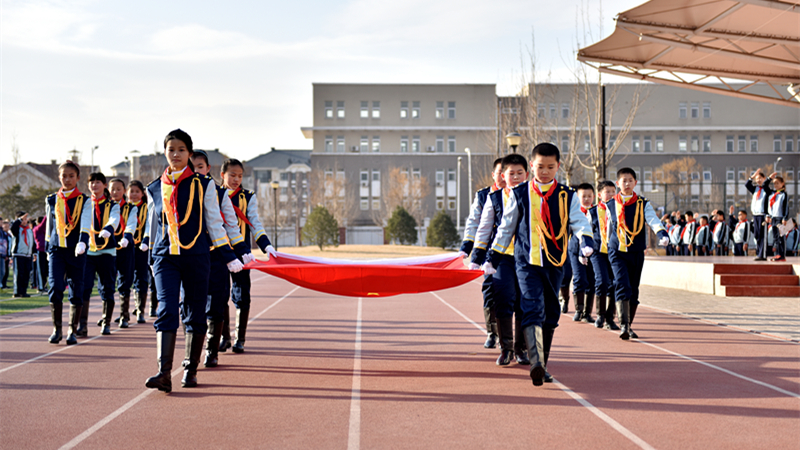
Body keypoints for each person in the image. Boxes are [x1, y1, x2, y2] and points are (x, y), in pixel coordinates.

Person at [485, 143, 594, 386]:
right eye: (540, 166)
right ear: (532, 166)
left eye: (550, 167)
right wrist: (493, 256)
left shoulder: (567, 195)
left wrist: (585, 239)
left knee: (551, 311)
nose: (544, 171)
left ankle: (542, 361)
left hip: (555, 263)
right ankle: (537, 364)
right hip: (527, 262)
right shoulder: (519, 193)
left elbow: (578, 220)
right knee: (531, 306)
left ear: (558, 167)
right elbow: (506, 227)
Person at [144, 129, 244, 393]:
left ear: (189, 153)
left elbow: (214, 222)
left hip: (197, 256)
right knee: (166, 308)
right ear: (164, 153)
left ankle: (190, 368)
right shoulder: (155, 187)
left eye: (181, 150)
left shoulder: (204, 184)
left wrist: (228, 255)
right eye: (170, 150)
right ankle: (164, 372)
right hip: (165, 256)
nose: (175, 155)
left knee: (194, 311)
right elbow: (154, 225)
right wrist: (149, 254)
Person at [190, 150, 253, 368]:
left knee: (217, 303)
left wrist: (243, 250)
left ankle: (211, 351)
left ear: (208, 169)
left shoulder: (219, 193)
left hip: (217, 255)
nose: (195, 170)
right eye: (192, 166)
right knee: (190, 306)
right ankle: (195, 353)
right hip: (191, 258)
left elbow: (230, 227)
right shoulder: (177, 192)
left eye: (200, 166)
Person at [471, 153, 530, 366]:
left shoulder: (533, 196)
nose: (515, 177)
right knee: (503, 299)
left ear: (527, 174)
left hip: (528, 258)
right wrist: (477, 255)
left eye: (519, 173)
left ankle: (522, 349)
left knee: (525, 303)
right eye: (511, 173)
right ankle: (506, 349)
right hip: (502, 257)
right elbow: (484, 227)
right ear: (503, 176)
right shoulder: (494, 198)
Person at [605, 168, 669, 340]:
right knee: (622, 284)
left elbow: (653, 220)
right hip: (617, 251)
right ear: (618, 183)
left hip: (636, 251)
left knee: (633, 289)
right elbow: (608, 228)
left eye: (630, 180)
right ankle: (623, 326)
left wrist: (662, 233)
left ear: (635, 183)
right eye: (623, 181)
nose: (627, 184)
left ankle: (629, 325)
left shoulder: (642, 203)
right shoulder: (610, 204)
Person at [220, 158, 275, 354]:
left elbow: (254, 223)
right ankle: (223, 337)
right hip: (218, 253)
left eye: (240, 176)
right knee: (219, 295)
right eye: (232, 175)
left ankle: (239, 339)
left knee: (242, 295)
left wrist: (266, 246)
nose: (236, 179)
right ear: (222, 175)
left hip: (241, 253)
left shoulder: (248, 197)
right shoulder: (213, 195)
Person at [45, 161, 92, 345]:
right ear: (59, 177)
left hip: (76, 250)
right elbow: (50, 226)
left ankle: (72, 329)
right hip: (57, 249)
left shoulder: (84, 200)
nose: (67, 179)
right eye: (64, 176)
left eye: (71, 176)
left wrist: (83, 241)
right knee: (56, 286)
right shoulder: (51, 199)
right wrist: (48, 248)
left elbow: (86, 222)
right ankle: (57, 329)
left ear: (78, 178)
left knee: (76, 288)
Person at [458, 157, 502, 349]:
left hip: (514, 252)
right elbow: (474, 222)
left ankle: (516, 340)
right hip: (489, 252)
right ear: (494, 175)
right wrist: (468, 246)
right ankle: (492, 333)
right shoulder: (484, 195)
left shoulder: (520, 195)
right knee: (490, 291)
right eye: (500, 172)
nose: (504, 176)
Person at [79, 172, 120, 336]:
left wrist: (109, 229)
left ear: (104, 185)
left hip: (107, 252)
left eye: (98, 182)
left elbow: (115, 219)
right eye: (92, 182)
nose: (94, 185)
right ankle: (82, 325)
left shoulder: (112, 205)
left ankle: (106, 322)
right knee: (84, 287)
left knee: (108, 287)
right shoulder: (84, 204)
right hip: (88, 251)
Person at [106, 178, 137, 328]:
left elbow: (131, 224)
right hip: (108, 248)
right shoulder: (106, 207)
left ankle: (124, 315)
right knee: (107, 281)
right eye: (112, 189)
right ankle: (107, 316)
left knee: (125, 280)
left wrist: (126, 238)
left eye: (119, 189)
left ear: (124, 191)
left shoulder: (131, 208)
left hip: (125, 247)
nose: (115, 192)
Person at [590, 180, 619, 330]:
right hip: (598, 252)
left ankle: (610, 318)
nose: (610, 194)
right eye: (607, 192)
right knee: (601, 281)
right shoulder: (592, 211)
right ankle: (600, 315)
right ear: (600, 195)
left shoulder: (619, 210)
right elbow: (587, 231)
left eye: (613, 191)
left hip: (615, 252)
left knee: (615, 284)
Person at [569, 183, 596, 323]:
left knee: (591, 281)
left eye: (589, 196)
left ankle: (587, 312)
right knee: (580, 279)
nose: (586, 199)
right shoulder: (573, 213)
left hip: (593, 252)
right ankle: (578, 310)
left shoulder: (597, 212)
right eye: (583, 196)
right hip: (574, 250)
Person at [127, 180, 151, 324]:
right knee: (125, 278)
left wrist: (146, 241)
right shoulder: (122, 208)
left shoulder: (147, 208)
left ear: (142, 193)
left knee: (141, 277)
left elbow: (148, 225)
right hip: (125, 247)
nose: (134, 194)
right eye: (131, 191)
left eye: (137, 191)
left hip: (142, 247)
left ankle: (140, 310)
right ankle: (124, 312)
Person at [745, 169, 773, 261]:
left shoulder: (767, 189)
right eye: (757, 179)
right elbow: (747, 185)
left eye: (760, 178)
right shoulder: (755, 189)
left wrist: (768, 215)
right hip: (755, 215)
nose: (758, 180)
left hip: (763, 215)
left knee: (762, 235)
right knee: (756, 235)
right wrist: (752, 177)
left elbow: (769, 203)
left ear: (764, 179)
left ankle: (762, 255)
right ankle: (759, 253)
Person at [10, 212, 36, 298]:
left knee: (26, 274)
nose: (25, 221)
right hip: (18, 254)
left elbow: (32, 242)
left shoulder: (29, 230)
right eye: (23, 219)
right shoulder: (17, 229)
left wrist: (34, 253)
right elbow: (13, 227)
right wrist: (19, 220)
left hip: (27, 255)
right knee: (19, 274)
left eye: (26, 219)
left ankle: (23, 291)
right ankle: (17, 291)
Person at [766, 175, 788, 262]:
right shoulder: (772, 194)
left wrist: (785, 218)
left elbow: (786, 207)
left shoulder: (783, 194)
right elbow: (764, 186)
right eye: (774, 183)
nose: (775, 185)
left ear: (782, 184)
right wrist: (769, 178)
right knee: (775, 238)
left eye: (777, 183)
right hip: (773, 218)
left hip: (780, 218)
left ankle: (782, 255)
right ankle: (778, 254)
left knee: (781, 237)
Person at [33, 216, 48, 294]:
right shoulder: (37, 229)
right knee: (41, 270)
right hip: (40, 251)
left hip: (46, 251)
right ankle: (41, 287)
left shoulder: (44, 230)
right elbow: (42, 225)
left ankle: (44, 286)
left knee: (46, 270)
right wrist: (47, 214)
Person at [0, 218, 7, 289]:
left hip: (2, 254)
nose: (1, 224)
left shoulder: (3, 231)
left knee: (3, 271)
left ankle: (1, 283)